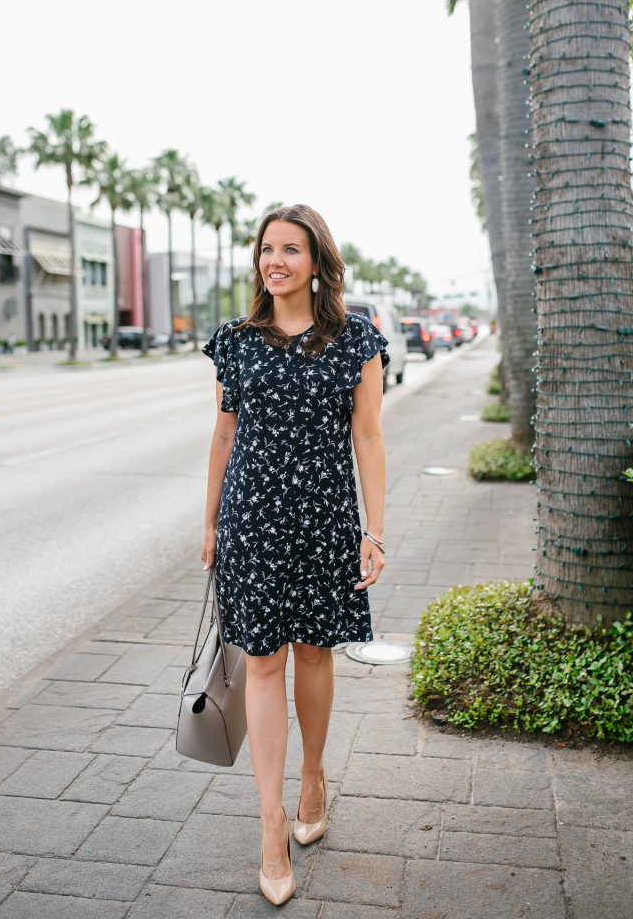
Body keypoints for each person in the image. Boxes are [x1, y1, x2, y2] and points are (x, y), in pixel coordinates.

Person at [201, 204, 388, 906]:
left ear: (317, 263)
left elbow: (369, 438)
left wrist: (374, 531)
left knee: (314, 652)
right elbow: (223, 436)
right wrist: (212, 521)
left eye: (290, 249)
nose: (275, 260)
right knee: (262, 661)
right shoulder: (236, 342)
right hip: (252, 523)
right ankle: (270, 824)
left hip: (326, 522)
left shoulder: (356, 342)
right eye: (267, 249)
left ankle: (313, 775)